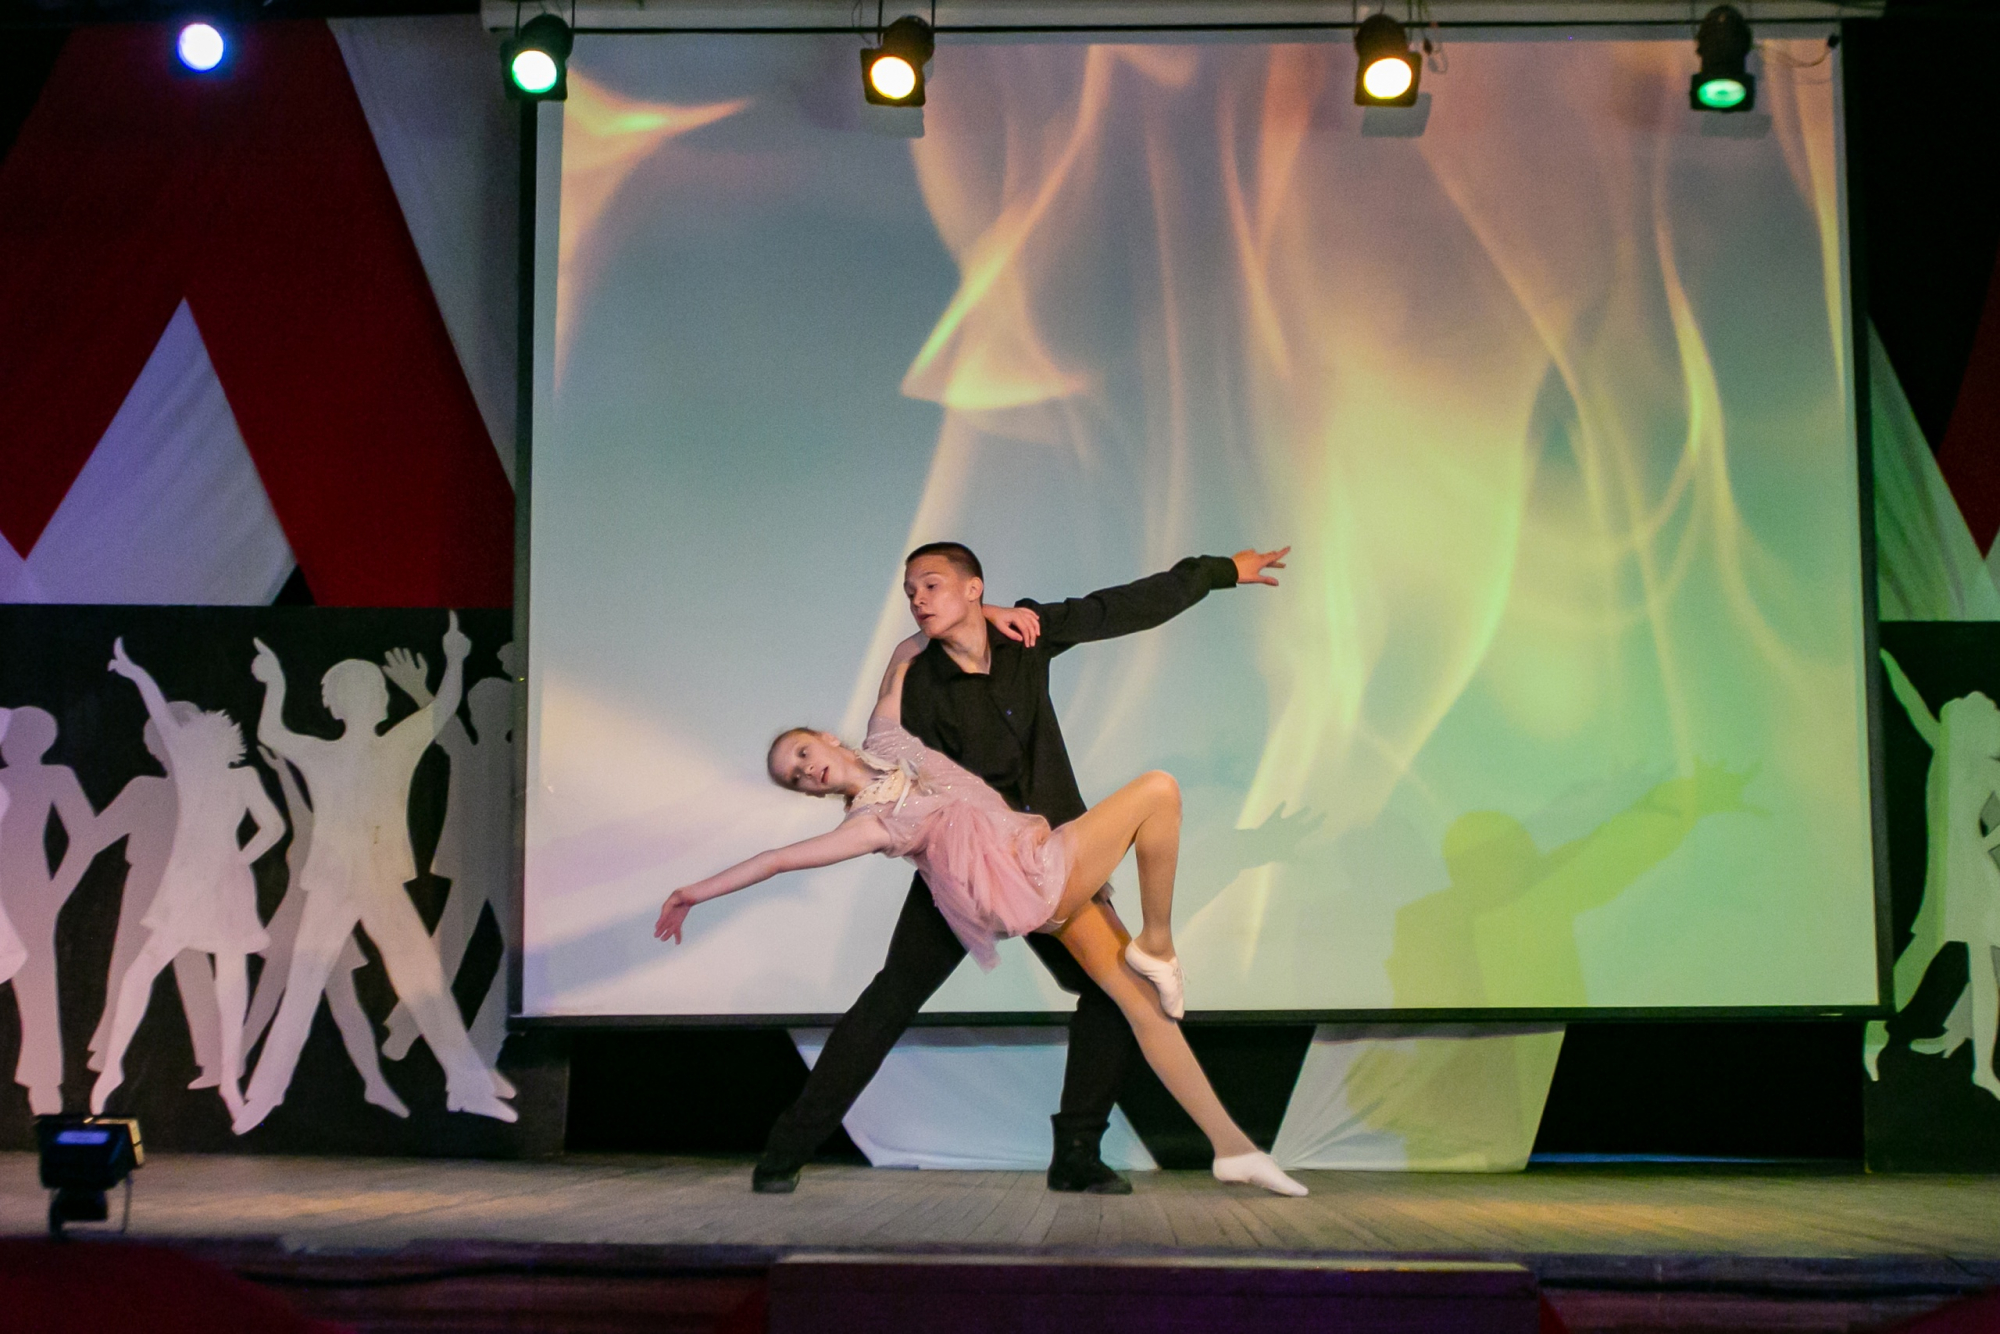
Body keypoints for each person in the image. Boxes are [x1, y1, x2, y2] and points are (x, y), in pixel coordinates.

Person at [657, 631, 1307, 1197]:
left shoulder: (887, 736)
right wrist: (695, 891)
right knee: (1158, 791)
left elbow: (904, 653)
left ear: (824, 738)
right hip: (1029, 881)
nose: (807, 772)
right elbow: (777, 859)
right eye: (796, 779)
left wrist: (988, 615)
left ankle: (1232, 1148)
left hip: (1037, 856)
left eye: (802, 754)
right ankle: (1158, 944)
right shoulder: (869, 823)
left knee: (1139, 1003)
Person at [235, 615, 514, 1132]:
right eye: (373, 691)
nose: (379, 698)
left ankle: (468, 1088)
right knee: (313, 986)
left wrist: (456, 657)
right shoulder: (349, 750)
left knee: (420, 982)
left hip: (375, 882)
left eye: (378, 691)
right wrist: (272, 681)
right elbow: (272, 732)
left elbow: (442, 707)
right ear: (350, 703)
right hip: (339, 884)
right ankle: (264, 1095)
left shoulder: (390, 746)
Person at [92, 639, 286, 1120]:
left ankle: (228, 1078)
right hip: (192, 882)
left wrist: (240, 859)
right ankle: (114, 1068)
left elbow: (274, 827)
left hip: (219, 885)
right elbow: (160, 715)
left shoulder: (233, 777)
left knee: (226, 980)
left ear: (221, 743)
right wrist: (136, 674)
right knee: (150, 969)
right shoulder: (198, 771)